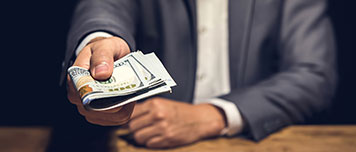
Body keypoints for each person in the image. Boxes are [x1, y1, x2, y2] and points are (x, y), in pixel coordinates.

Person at [61, 0, 336, 149]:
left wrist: (215, 115)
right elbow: (104, 8)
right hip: (144, 140)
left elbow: (314, 74)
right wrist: (97, 41)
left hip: (251, 139)